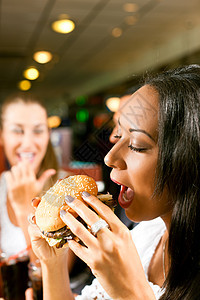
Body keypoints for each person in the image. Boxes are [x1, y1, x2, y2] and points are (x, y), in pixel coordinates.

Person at [28, 64, 200, 300]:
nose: (109, 158)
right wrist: (53, 262)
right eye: (118, 135)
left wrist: (130, 293)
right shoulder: (147, 235)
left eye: (137, 145)